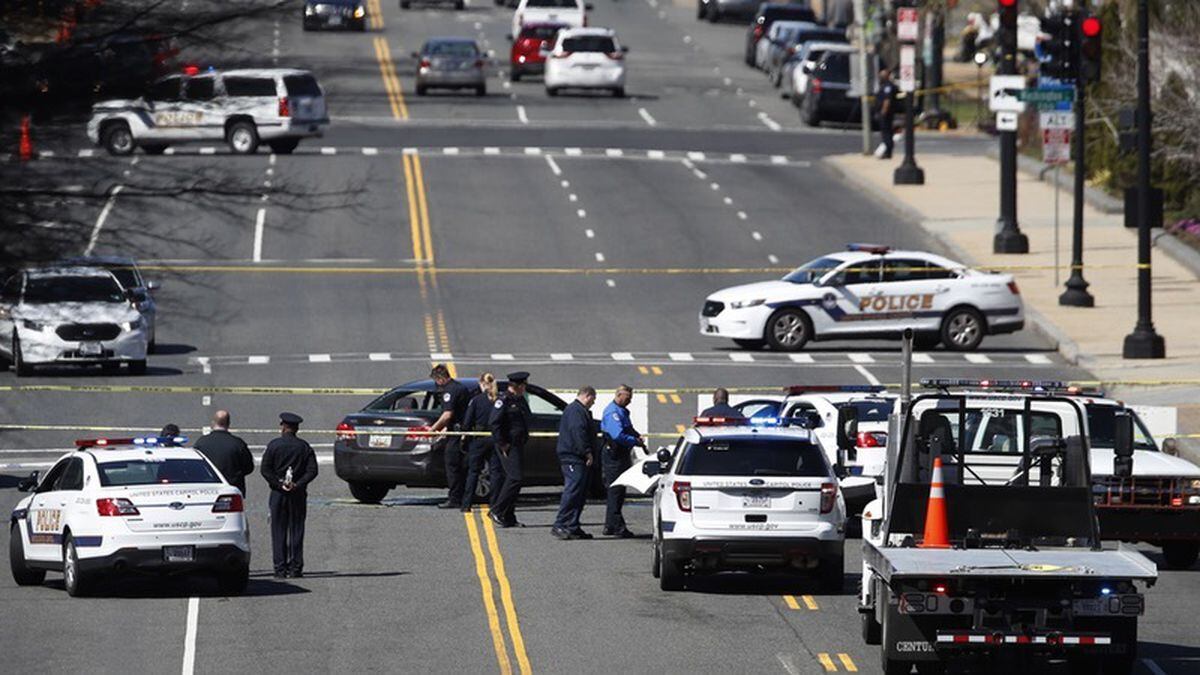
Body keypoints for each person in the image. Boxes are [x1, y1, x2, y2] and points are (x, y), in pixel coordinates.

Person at [261, 412, 318, 578]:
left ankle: (280, 568)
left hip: (278, 493)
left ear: (284, 427)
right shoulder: (304, 447)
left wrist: (279, 484)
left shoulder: (274, 446)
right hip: (297, 494)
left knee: (278, 530)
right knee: (296, 530)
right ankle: (295, 567)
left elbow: (265, 469)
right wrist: (298, 484)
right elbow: (312, 471)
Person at [552, 386, 598, 540]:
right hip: (573, 456)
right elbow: (578, 432)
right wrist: (586, 451)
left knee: (580, 492)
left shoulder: (579, 410)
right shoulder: (575, 411)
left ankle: (573, 525)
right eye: (593, 398)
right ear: (587, 395)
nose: (594, 402)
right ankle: (560, 524)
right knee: (572, 490)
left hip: (577, 457)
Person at [488, 371, 532, 528]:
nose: (525, 388)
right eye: (524, 385)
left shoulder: (519, 400)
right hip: (508, 445)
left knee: (513, 479)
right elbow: (494, 423)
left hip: (518, 443)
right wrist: (502, 444)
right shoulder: (503, 400)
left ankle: (509, 516)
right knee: (515, 478)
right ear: (518, 386)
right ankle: (497, 510)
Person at [599, 385, 644, 538]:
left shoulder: (622, 411)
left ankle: (610, 525)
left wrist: (637, 436)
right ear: (619, 395)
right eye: (627, 397)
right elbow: (618, 435)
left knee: (618, 490)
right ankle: (617, 526)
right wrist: (634, 441)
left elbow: (628, 428)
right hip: (614, 454)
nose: (630, 401)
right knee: (615, 491)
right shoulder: (613, 412)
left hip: (620, 454)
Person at [429, 364, 472, 509]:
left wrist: (433, 429)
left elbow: (447, 415)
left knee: (452, 466)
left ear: (440, 378)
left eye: (436, 381)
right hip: (461, 432)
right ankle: (462, 497)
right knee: (462, 467)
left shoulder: (450, 391)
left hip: (456, 434)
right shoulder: (459, 387)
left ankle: (454, 498)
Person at [461, 372, 503, 513]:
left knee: (473, 472)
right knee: (495, 472)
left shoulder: (477, 400)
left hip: (479, 438)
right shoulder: (499, 400)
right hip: (495, 438)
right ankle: (495, 504)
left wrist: (464, 435)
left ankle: (466, 504)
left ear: (482, 384)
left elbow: (467, 422)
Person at [194, 410, 255, 497]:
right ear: (228, 423)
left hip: (208, 489)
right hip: (233, 488)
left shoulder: (201, 442)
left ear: (213, 423)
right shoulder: (237, 443)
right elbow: (249, 467)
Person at [875, 68, 898, 160]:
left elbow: (887, 100)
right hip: (884, 112)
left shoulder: (888, 86)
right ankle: (888, 151)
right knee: (885, 132)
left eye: (882, 75)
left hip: (886, 113)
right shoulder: (883, 85)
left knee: (886, 133)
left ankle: (888, 152)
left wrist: (883, 112)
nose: (880, 77)